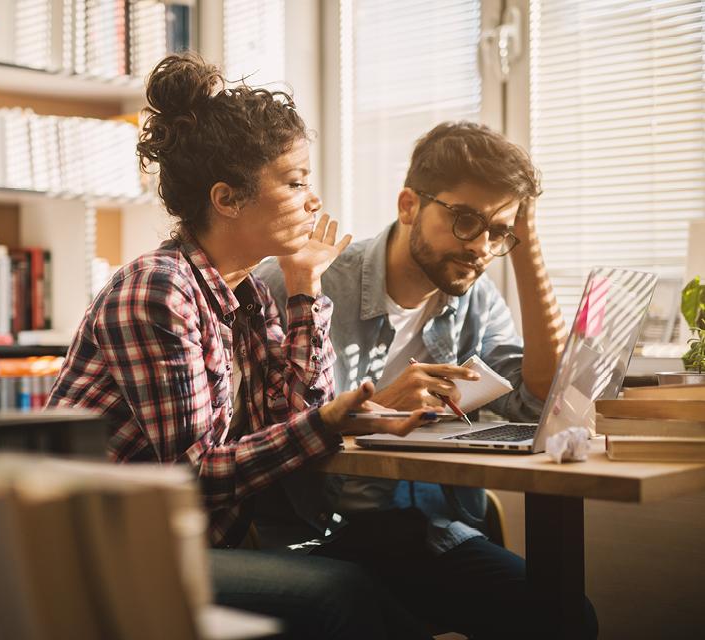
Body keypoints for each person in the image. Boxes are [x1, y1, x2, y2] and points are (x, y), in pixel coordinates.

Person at [46, 53, 438, 640]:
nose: (313, 200)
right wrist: (328, 422)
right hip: (101, 551)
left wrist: (306, 286)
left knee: (397, 566)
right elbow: (194, 473)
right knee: (341, 590)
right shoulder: (160, 289)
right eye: (296, 181)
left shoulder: (246, 293)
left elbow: (292, 419)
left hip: (187, 539)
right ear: (227, 199)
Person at [254, 121, 599, 639]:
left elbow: (537, 403)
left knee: (562, 615)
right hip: (315, 532)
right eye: (465, 219)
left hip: (425, 529)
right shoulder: (298, 280)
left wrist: (527, 247)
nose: (481, 246)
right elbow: (261, 435)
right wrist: (376, 410)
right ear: (409, 206)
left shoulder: (472, 299)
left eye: (498, 231)